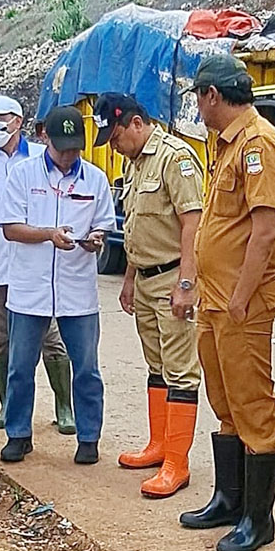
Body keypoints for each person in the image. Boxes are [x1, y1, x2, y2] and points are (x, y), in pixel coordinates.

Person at [178, 54, 275, 551]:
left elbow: (265, 230)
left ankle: (257, 519)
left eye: (199, 98)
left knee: (253, 405)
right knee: (225, 402)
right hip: (217, 301)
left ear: (211, 96)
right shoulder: (223, 145)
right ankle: (229, 498)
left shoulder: (258, 143)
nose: (198, 108)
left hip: (241, 304)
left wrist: (242, 298)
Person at [94, 93, 203, 498]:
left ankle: (178, 462)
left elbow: (193, 223)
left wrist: (187, 283)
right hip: (145, 280)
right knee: (156, 366)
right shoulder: (136, 163)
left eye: (117, 135)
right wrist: (128, 279)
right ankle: (159, 445)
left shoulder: (176, 158)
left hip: (173, 278)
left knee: (180, 370)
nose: (114, 144)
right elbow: (139, 228)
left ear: (136, 123)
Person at [0, 105, 115, 465]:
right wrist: (48, 235)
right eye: (62, 147)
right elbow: (10, 228)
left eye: (74, 148)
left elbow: (103, 226)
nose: (68, 155)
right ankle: (18, 434)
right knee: (20, 366)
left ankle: (89, 436)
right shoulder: (22, 175)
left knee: (86, 368)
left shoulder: (95, 179)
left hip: (77, 291)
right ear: (45, 137)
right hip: (29, 289)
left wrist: (95, 238)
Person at [0, 95, 75, 435]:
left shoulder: (39, 157)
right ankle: (9, 404)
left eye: (1, 119)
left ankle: (64, 405)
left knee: (51, 336)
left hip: (35, 265)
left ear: (17, 121)